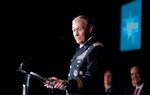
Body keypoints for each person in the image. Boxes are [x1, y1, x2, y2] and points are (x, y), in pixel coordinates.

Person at [44, 15, 106, 95]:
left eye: (79, 29)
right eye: (73, 30)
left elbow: (91, 79)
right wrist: (60, 82)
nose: (76, 34)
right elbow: (74, 77)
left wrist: (68, 83)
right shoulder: (80, 49)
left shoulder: (96, 48)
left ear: (90, 29)